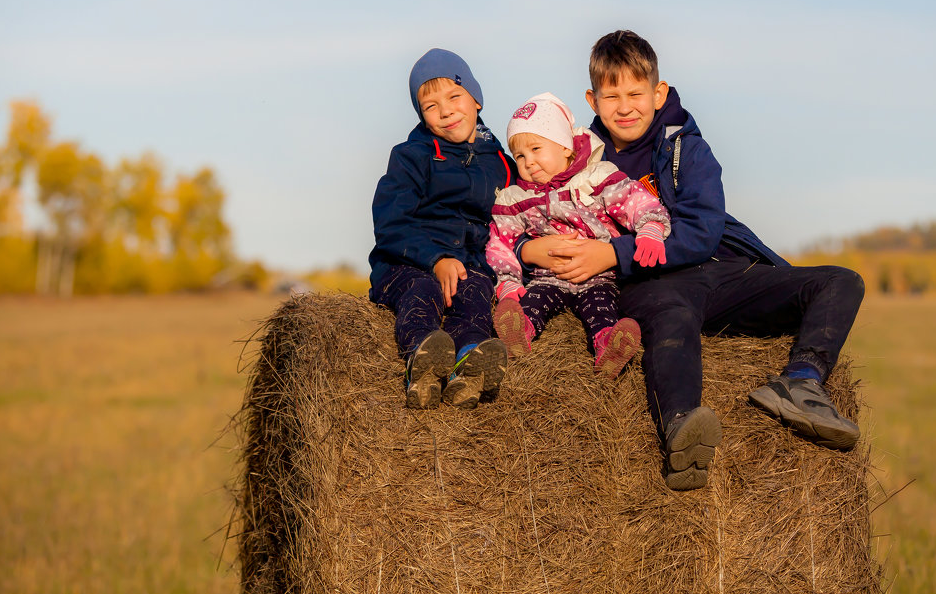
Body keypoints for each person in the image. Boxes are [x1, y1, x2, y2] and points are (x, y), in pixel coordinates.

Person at [519, 30, 865, 490]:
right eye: (612, 95)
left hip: (718, 270)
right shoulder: (575, 161)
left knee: (841, 281)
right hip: (648, 284)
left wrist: (612, 251)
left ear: (658, 93)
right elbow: (526, 212)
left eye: (636, 93)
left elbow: (703, 230)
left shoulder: (688, 149)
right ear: (592, 100)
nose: (625, 106)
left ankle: (801, 380)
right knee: (673, 319)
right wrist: (527, 250)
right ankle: (682, 426)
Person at [486, 92, 670, 381]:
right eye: (520, 155)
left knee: (601, 309)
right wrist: (508, 283)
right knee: (533, 302)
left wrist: (650, 228)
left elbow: (634, 200)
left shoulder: (595, 179)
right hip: (547, 276)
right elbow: (501, 241)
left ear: (566, 149)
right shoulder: (517, 197)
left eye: (536, 149)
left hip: (598, 275)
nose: (529, 162)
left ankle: (609, 345)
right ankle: (518, 332)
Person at [369, 48, 514, 410]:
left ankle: (469, 361)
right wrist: (435, 259)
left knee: (478, 293)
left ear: (476, 99)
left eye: (454, 96)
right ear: (422, 116)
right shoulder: (411, 157)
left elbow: (515, 221)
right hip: (406, 265)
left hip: (470, 265)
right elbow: (391, 222)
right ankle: (421, 358)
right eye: (430, 106)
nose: (446, 110)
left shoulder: (502, 165)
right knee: (422, 291)